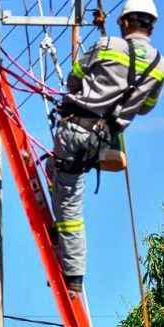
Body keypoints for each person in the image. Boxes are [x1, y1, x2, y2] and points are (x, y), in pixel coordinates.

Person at [48, 0, 163, 292]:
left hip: (74, 130)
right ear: (152, 25)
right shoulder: (158, 64)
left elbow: (74, 78)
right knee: (59, 175)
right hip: (101, 140)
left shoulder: (107, 44)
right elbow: (148, 107)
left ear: (125, 23)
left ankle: (73, 276)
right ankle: (61, 230)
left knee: (70, 204)